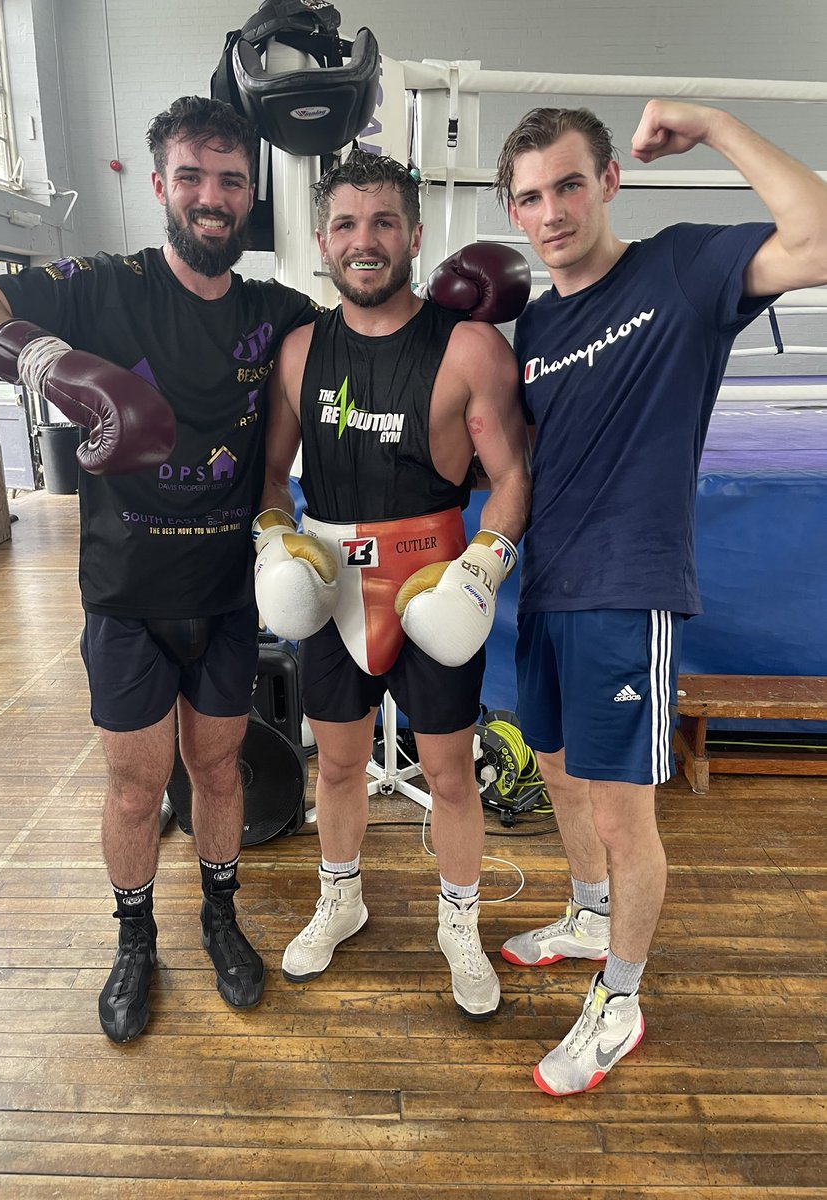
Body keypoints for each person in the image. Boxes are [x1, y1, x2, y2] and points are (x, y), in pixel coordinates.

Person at [0, 95, 322, 1043]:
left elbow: (367, 344)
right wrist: (57, 365)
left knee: (218, 774)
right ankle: (133, 938)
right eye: (191, 177)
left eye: (230, 180)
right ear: (160, 187)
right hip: (125, 602)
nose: (211, 197)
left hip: (226, 599)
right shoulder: (104, 285)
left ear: (252, 192)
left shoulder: (278, 311)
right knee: (136, 787)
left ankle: (221, 916)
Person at [493, 100, 827, 1094]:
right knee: (553, 771)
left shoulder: (679, 269)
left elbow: (817, 239)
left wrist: (718, 126)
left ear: (608, 182)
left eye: (566, 185)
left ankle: (622, 998)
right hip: (546, 586)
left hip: (627, 587)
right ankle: (588, 913)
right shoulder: (536, 320)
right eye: (528, 197)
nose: (550, 212)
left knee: (623, 811)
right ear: (513, 214)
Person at [256, 151, 531, 1019]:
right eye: (345, 224)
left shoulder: (471, 348)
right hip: (333, 585)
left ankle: (460, 922)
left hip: (434, 578)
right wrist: (273, 542)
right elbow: (270, 476)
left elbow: (513, 476)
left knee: (451, 771)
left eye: (382, 223)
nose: (363, 241)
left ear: (415, 235)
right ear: (322, 239)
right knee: (336, 764)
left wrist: (485, 565)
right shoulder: (300, 352)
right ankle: (342, 897)